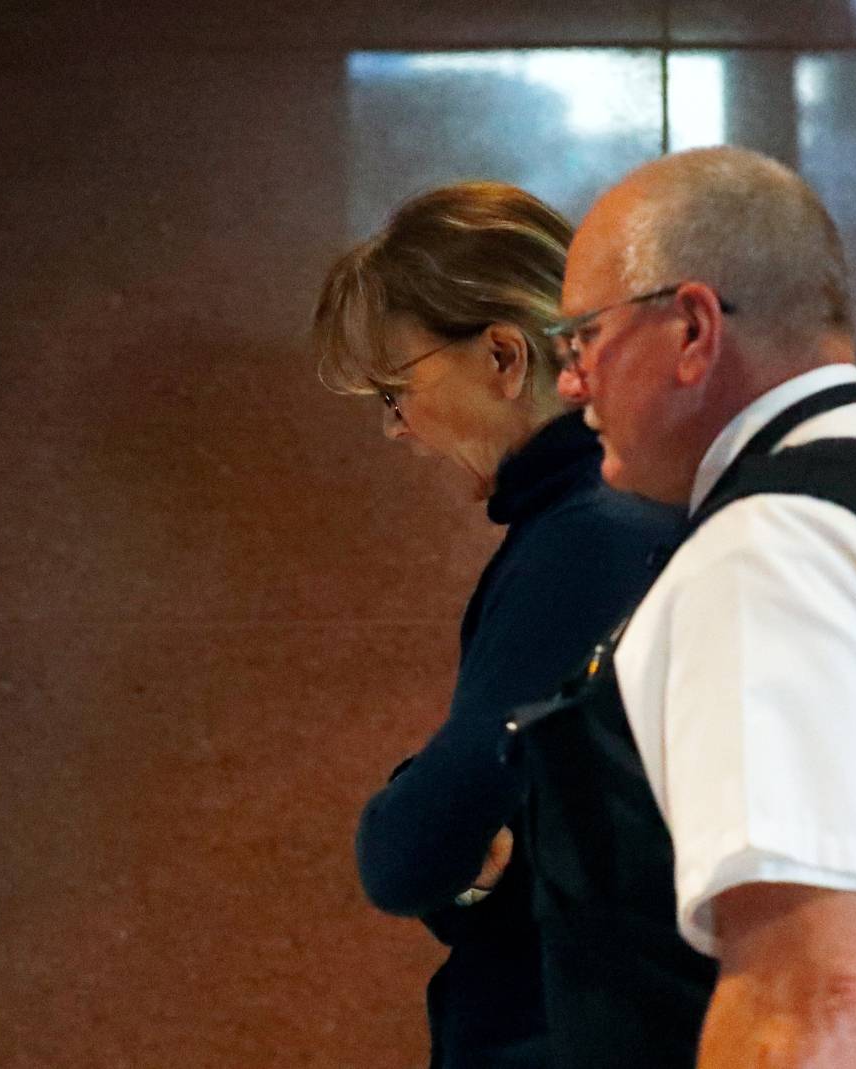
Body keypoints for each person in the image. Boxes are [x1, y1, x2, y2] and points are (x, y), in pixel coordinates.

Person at [507, 146, 856, 1068]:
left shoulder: (774, 551)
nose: (570, 384)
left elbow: (802, 1005)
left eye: (582, 338)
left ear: (693, 327)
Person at [312, 181, 681, 1069]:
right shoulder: (623, 512)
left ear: (504, 356)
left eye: (395, 390)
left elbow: (413, 848)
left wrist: (430, 817)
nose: (395, 430)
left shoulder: (589, 535)